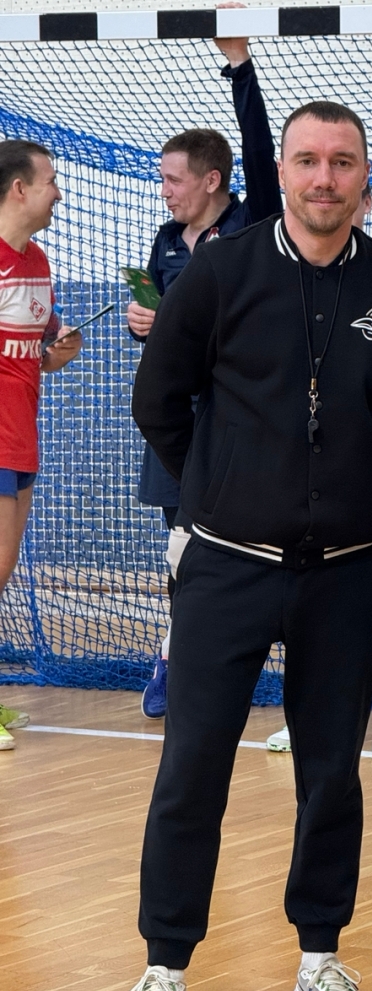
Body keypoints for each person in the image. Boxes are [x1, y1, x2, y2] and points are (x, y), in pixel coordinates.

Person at [113, 101, 372, 991]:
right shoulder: (220, 271)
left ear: (365, 177)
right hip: (226, 567)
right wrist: (220, 493)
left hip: (345, 574)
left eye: (342, 162)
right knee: (192, 768)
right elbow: (158, 400)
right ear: (283, 172)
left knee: (331, 774)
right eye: (307, 161)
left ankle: (320, 960)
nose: (323, 178)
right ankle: (164, 971)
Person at [129, 12, 282, 721]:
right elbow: (162, 338)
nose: (165, 191)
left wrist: (239, 67)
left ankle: (222, 662)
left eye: (173, 180)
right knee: (179, 547)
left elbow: (260, 149)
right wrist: (145, 328)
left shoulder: (254, 223)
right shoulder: (164, 242)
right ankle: (177, 656)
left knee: (233, 550)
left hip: (242, 419)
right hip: (180, 425)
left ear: (213, 180)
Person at [265, 183, 372, 762]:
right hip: (309, 478)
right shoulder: (283, 280)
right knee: (311, 595)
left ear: (366, 202)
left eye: (349, 187)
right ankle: (310, 714)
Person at [0, 140, 82, 750]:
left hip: (22, 435)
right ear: (19, 188)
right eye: (50, 181)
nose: (58, 192)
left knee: (2, 571)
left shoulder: (39, 261)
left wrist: (59, 351)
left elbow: (37, 349)